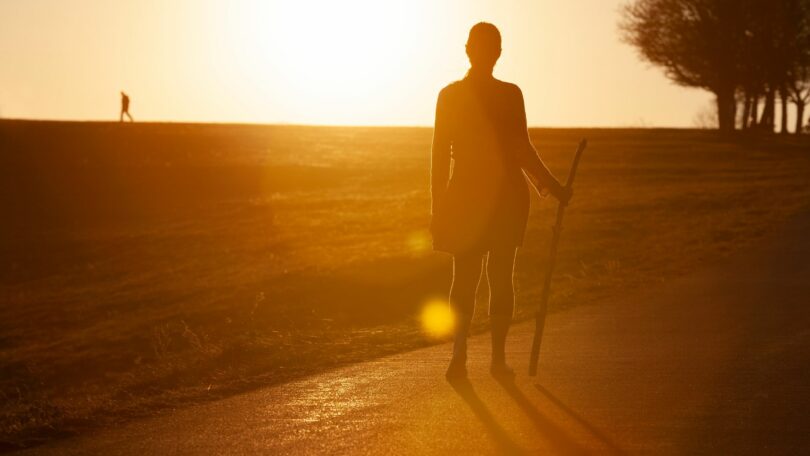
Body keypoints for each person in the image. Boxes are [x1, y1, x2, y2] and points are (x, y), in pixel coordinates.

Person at [431, 22, 572, 380]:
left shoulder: (510, 94)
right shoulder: (451, 96)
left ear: (497, 53)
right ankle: (461, 356)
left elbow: (521, 149)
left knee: (496, 276)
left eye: (491, 48)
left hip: (504, 197)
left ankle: (492, 358)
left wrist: (553, 187)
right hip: (467, 197)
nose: (486, 54)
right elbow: (438, 154)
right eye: (482, 48)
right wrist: (438, 207)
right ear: (469, 50)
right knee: (469, 276)